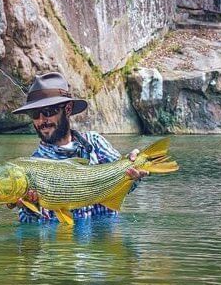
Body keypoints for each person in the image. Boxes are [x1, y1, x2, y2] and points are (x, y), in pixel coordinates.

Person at [10, 72, 148, 223]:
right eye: (35, 114)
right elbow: (31, 228)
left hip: (106, 239)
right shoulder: (32, 166)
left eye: (49, 112)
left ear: (68, 109)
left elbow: (126, 185)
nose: (42, 120)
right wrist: (30, 208)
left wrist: (135, 170)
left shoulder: (95, 142)